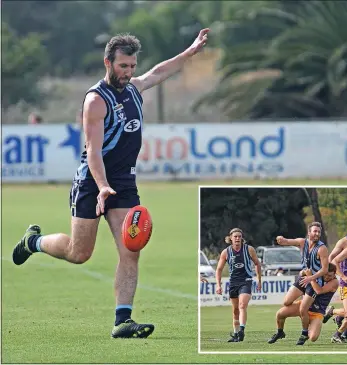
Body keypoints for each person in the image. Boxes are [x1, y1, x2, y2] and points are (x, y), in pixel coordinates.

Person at [12, 28, 210, 339]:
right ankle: (33, 242)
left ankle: (122, 321)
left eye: (132, 66)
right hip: (92, 181)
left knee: (131, 249)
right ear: (108, 63)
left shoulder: (134, 89)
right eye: (123, 67)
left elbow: (160, 71)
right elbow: (92, 150)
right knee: (79, 253)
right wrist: (102, 186)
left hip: (124, 182)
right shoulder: (95, 100)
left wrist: (190, 52)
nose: (129, 73)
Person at [275, 221, 329, 345]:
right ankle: (304, 304)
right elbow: (287, 242)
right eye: (314, 231)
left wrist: (311, 277)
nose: (317, 234)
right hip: (303, 279)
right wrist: (281, 239)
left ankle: (304, 332)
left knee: (303, 310)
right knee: (286, 302)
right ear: (309, 232)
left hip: (315, 281)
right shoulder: (302, 242)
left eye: (319, 232)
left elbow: (324, 270)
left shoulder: (322, 248)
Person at [268, 263, 339, 345]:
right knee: (280, 314)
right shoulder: (318, 276)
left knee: (313, 337)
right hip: (304, 305)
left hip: (317, 312)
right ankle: (280, 332)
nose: (327, 277)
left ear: (335, 273)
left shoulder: (335, 282)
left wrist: (310, 278)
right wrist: (304, 273)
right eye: (325, 275)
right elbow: (302, 273)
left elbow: (319, 290)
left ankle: (319, 319)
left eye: (329, 275)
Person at [215, 228, 262, 342]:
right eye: (235, 236)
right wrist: (218, 285)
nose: (237, 238)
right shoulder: (226, 252)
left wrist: (259, 280)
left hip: (246, 280)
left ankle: (242, 330)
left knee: (242, 305)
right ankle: (236, 334)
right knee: (235, 310)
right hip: (233, 282)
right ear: (230, 238)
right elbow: (219, 269)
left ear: (242, 238)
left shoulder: (249, 249)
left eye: (239, 236)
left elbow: (257, 264)